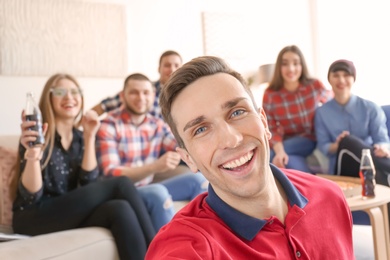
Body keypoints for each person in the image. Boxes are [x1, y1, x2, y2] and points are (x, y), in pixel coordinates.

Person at [145, 56, 354, 259]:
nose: (231, 139)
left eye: (237, 113)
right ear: (188, 158)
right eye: (200, 130)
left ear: (264, 122)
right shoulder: (187, 248)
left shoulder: (330, 197)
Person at [12, 73, 156, 260]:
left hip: (66, 211)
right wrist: (32, 157)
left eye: (74, 92)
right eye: (60, 92)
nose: (69, 97)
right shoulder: (36, 137)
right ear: (49, 98)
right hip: (33, 217)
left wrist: (89, 136)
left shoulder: (80, 137)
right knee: (120, 184)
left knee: (119, 209)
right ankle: (159, 250)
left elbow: (88, 184)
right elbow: (31, 196)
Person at [96, 73, 208, 231]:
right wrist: (155, 167)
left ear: (153, 95)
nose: (141, 98)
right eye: (134, 92)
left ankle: (204, 238)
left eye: (145, 92)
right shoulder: (108, 125)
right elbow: (111, 174)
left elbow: (182, 145)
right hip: (121, 194)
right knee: (158, 192)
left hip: (147, 187)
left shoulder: (157, 124)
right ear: (122, 96)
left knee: (199, 180)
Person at [315, 59, 390, 185]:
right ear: (329, 79)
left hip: (371, 163)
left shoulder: (371, 108)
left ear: (353, 78)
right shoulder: (322, 112)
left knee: (376, 172)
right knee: (347, 141)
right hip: (342, 166)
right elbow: (323, 147)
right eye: (336, 75)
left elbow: (382, 140)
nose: (341, 80)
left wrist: (382, 147)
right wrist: (338, 144)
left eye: (346, 75)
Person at [262, 45, 332, 173]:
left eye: (296, 63)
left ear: (302, 66)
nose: (291, 69)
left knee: (269, 156)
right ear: (279, 67)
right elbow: (270, 128)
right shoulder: (270, 94)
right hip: (288, 143)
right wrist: (280, 151)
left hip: (312, 139)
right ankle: (311, 182)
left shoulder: (314, 86)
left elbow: (332, 103)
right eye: (285, 64)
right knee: (287, 162)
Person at [91, 50, 183, 119]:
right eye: (167, 65)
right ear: (159, 68)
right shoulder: (144, 89)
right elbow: (104, 106)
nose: (172, 69)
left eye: (176, 65)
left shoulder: (186, 93)